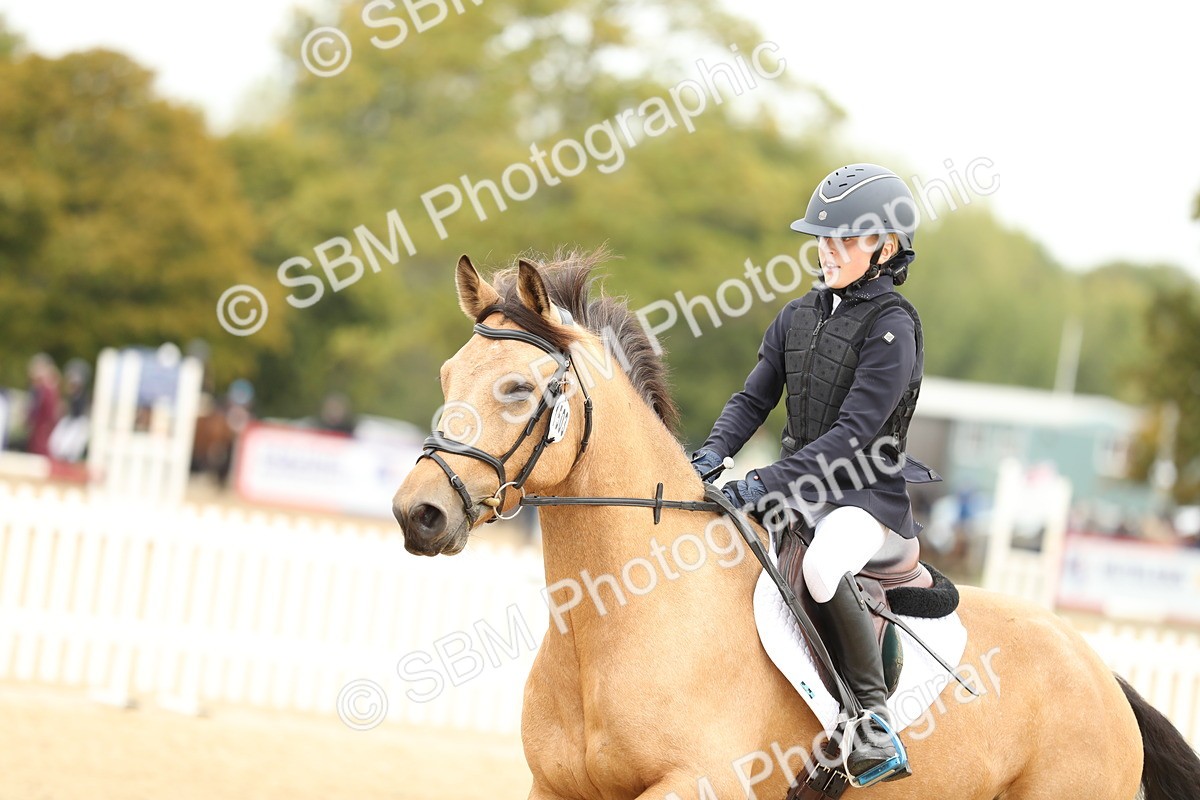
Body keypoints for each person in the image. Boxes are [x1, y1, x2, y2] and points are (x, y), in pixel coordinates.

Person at [691, 164, 939, 781]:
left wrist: (764, 483)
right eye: (822, 238)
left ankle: (871, 722)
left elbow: (853, 436)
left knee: (826, 563)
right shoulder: (796, 317)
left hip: (867, 501)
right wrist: (711, 454)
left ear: (883, 247)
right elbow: (753, 399)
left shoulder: (893, 325)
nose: (828, 250)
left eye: (845, 239)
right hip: (802, 489)